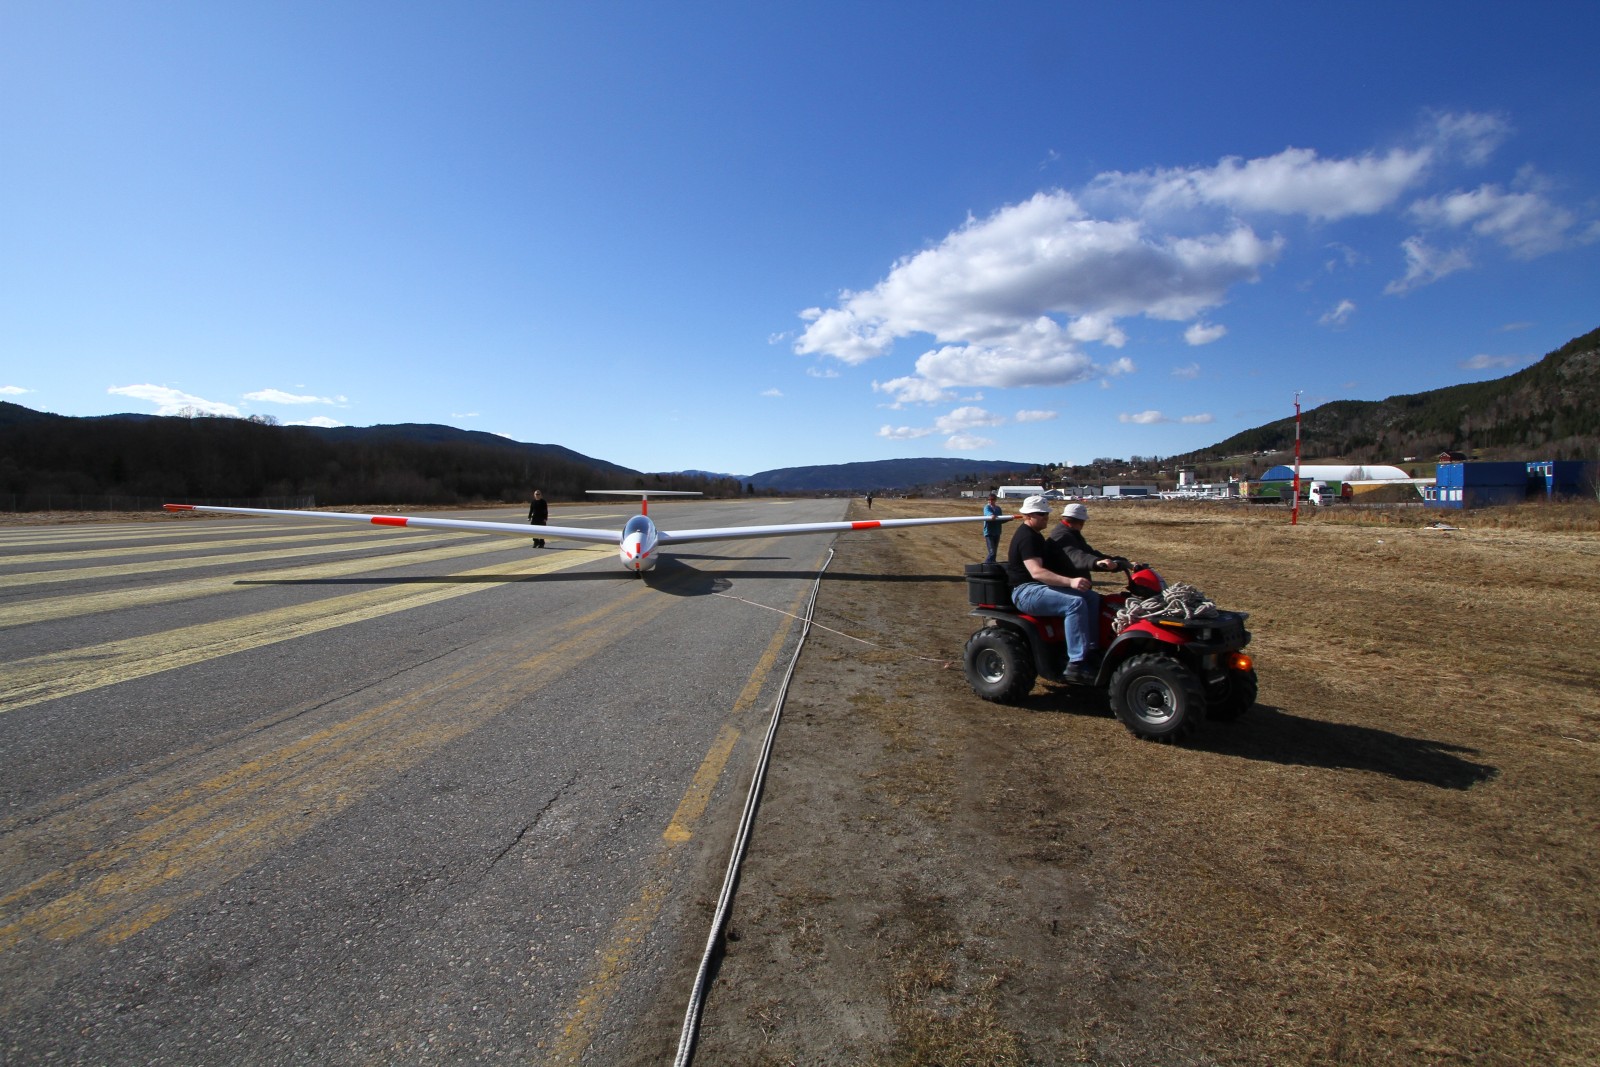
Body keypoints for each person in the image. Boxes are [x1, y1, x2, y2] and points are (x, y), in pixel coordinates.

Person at [1004, 496, 1099, 683]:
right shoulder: (1027, 537)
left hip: (1038, 588)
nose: (1045, 517)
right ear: (1028, 515)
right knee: (1075, 603)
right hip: (1026, 591)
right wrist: (1070, 582)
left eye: (1046, 514)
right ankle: (1076, 663)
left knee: (1092, 597)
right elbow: (1037, 572)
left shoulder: (1036, 536)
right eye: (1041, 514)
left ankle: (1092, 649)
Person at [1046, 501, 1127, 626]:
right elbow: (1076, 556)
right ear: (1080, 522)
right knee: (1092, 600)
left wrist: (1121, 561)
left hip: (1073, 585)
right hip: (1064, 586)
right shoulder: (1062, 535)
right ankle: (1092, 637)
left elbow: (1090, 552)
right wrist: (1096, 562)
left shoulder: (1071, 533)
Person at [981, 492, 1003, 563]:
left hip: (997, 532)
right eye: (989, 499)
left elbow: (1000, 520)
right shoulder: (987, 507)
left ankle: (992, 565)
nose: (990, 501)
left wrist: (1009, 518)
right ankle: (986, 565)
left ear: (995, 500)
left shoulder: (998, 509)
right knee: (992, 552)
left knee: (994, 552)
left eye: (992, 499)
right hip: (989, 533)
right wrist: (991, 515)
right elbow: (987, 513)